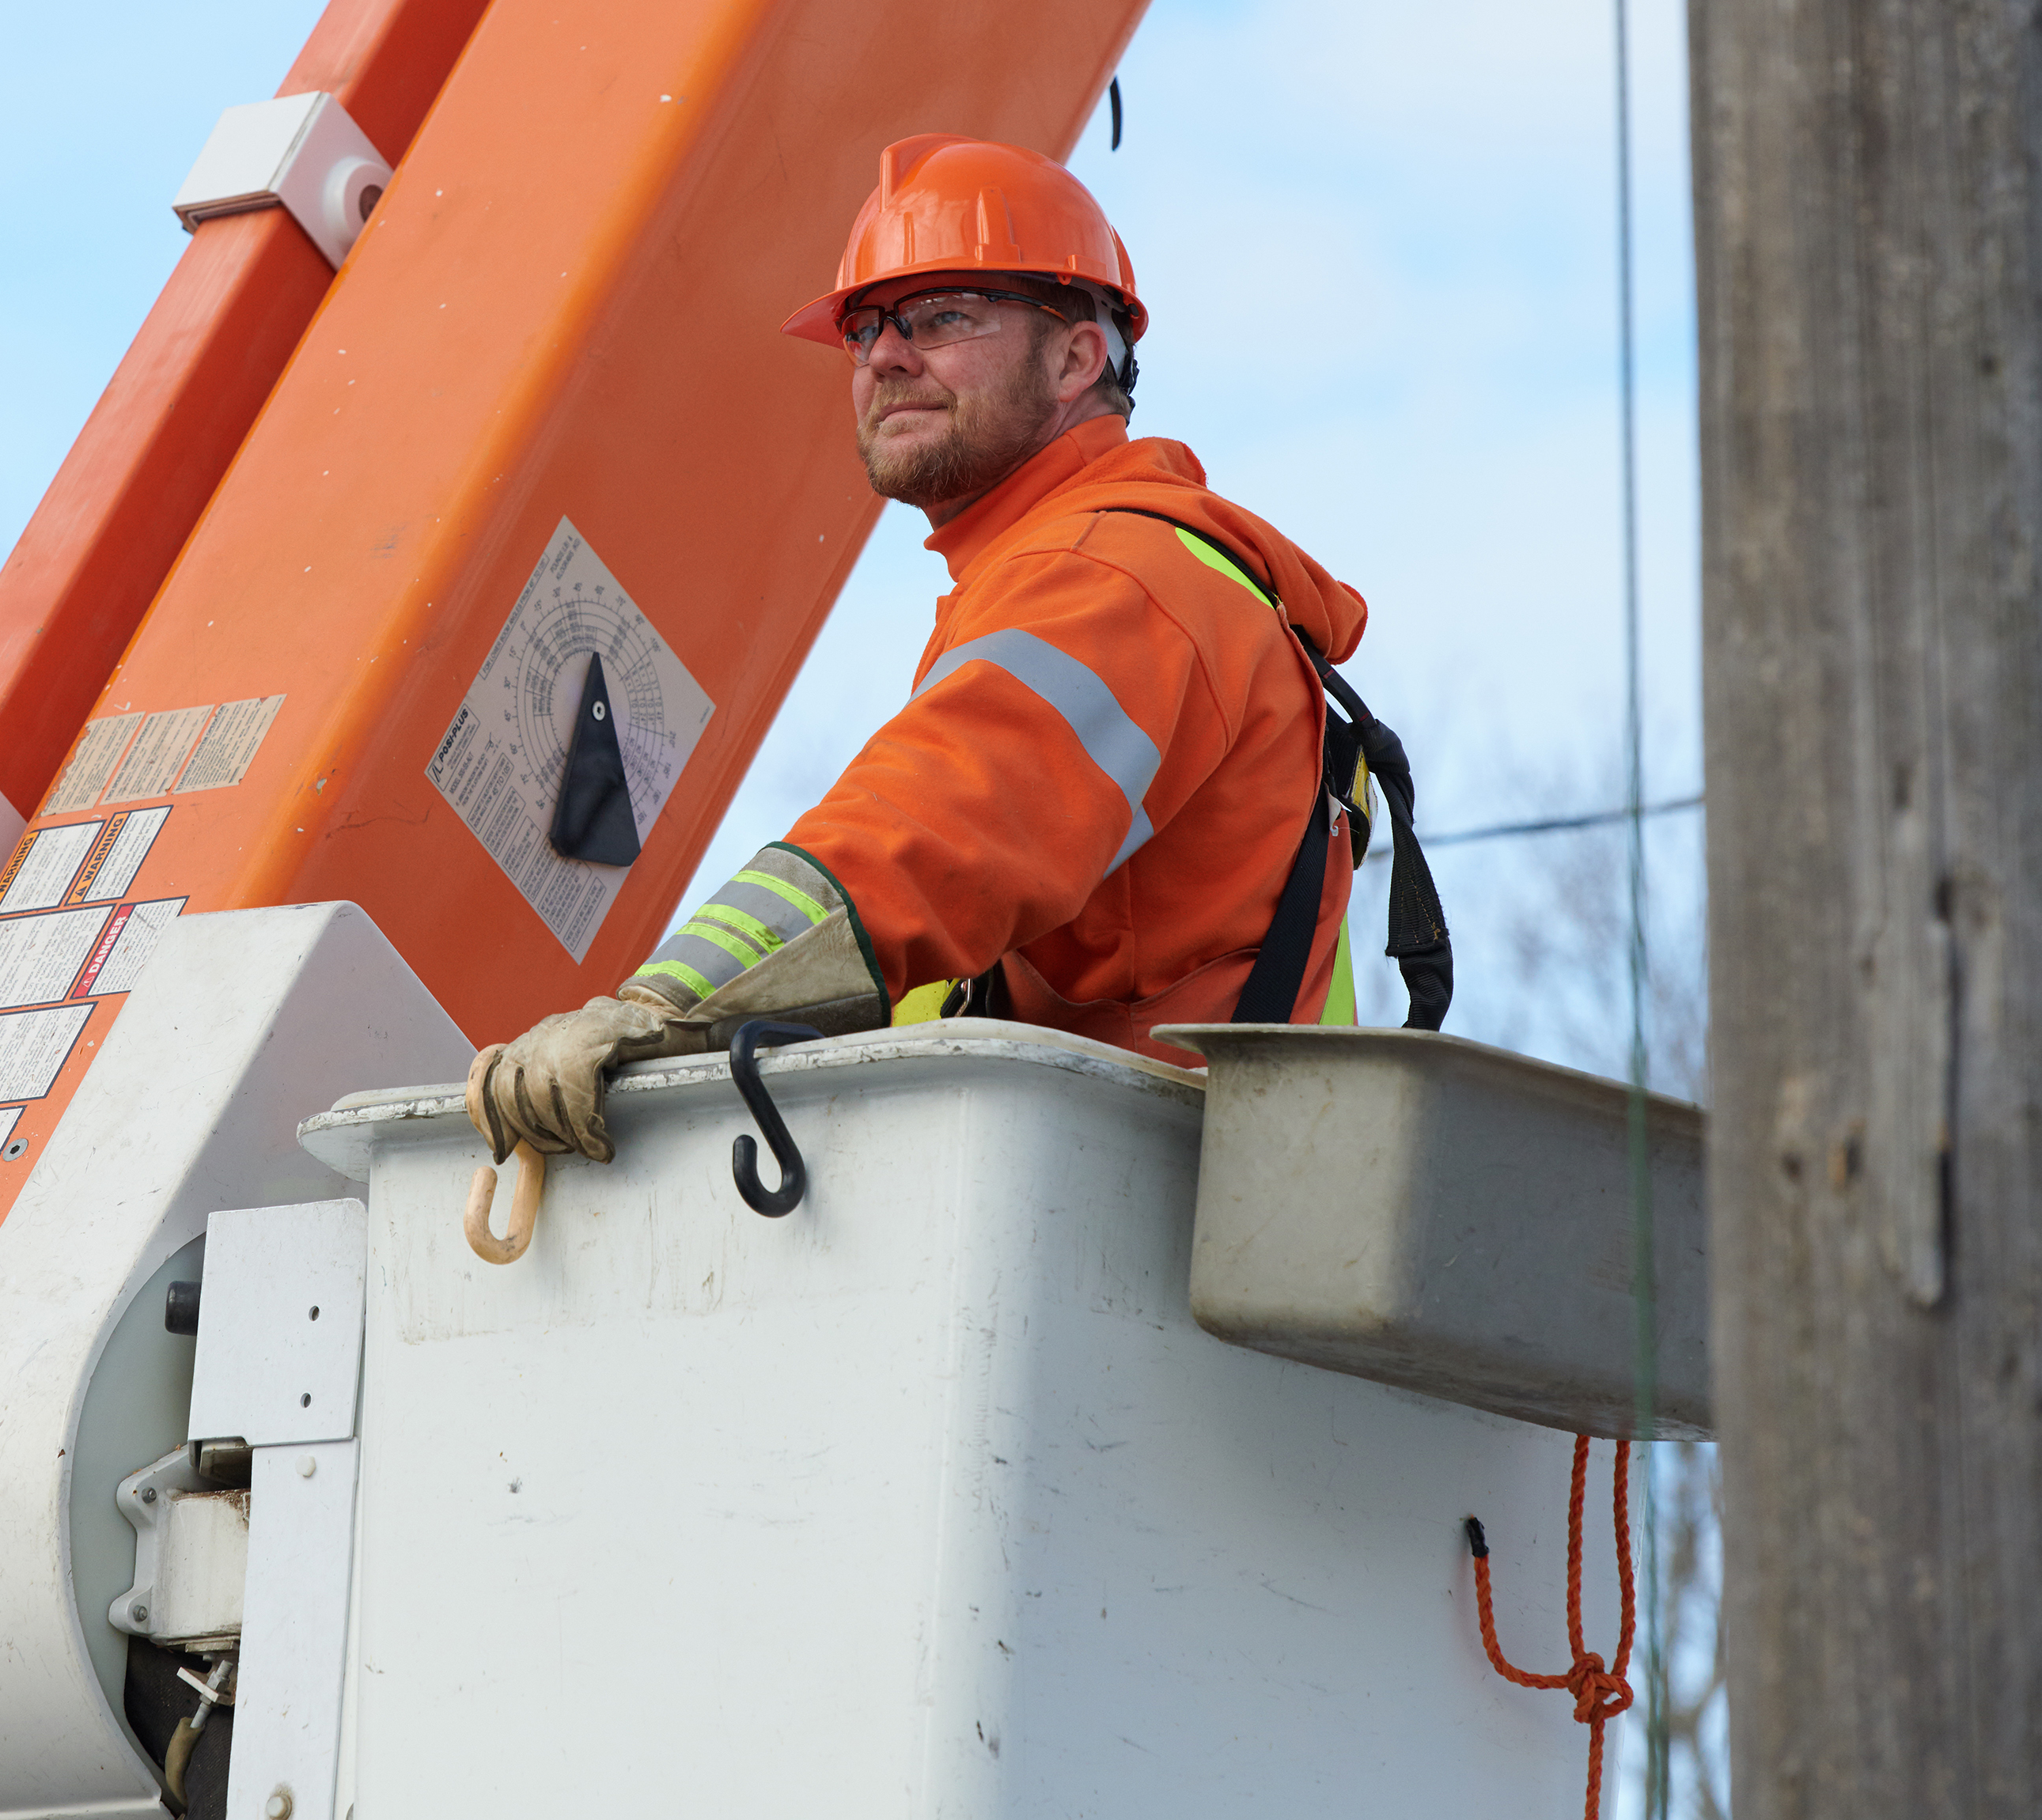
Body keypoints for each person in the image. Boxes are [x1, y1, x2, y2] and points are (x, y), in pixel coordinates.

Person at [468, 131, 1446, 1169]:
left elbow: (930, 831)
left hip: (1140, 1219)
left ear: (1075, 357)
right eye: (864, 330)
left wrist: (664, 1003)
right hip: (1146, 1205)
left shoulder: (1111, 578)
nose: (884, 356)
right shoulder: (1063, 570)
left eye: (941, 316)